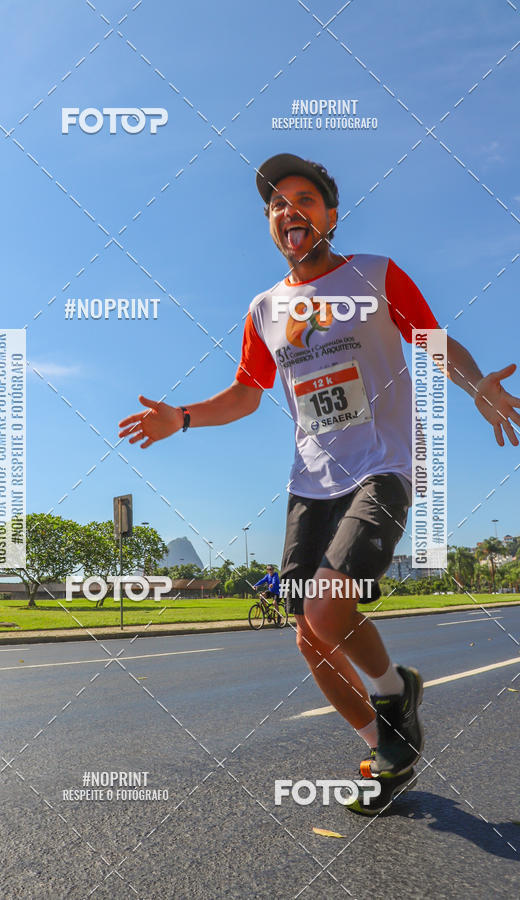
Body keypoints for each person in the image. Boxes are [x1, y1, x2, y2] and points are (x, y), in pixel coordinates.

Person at [118, 153, 520, 815]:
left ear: (330, 215)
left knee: (330, 609)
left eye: (303, 198)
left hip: (383, 465)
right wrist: (182, 418)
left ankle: (394, 693)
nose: (288, 210)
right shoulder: (264, 310)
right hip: (312, 482)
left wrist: (477, 386)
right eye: (276, 203)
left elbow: (433, 340)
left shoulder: (376, 275)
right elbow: (248, 395)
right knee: (308, 633)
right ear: (272, 226)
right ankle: (383, 747)